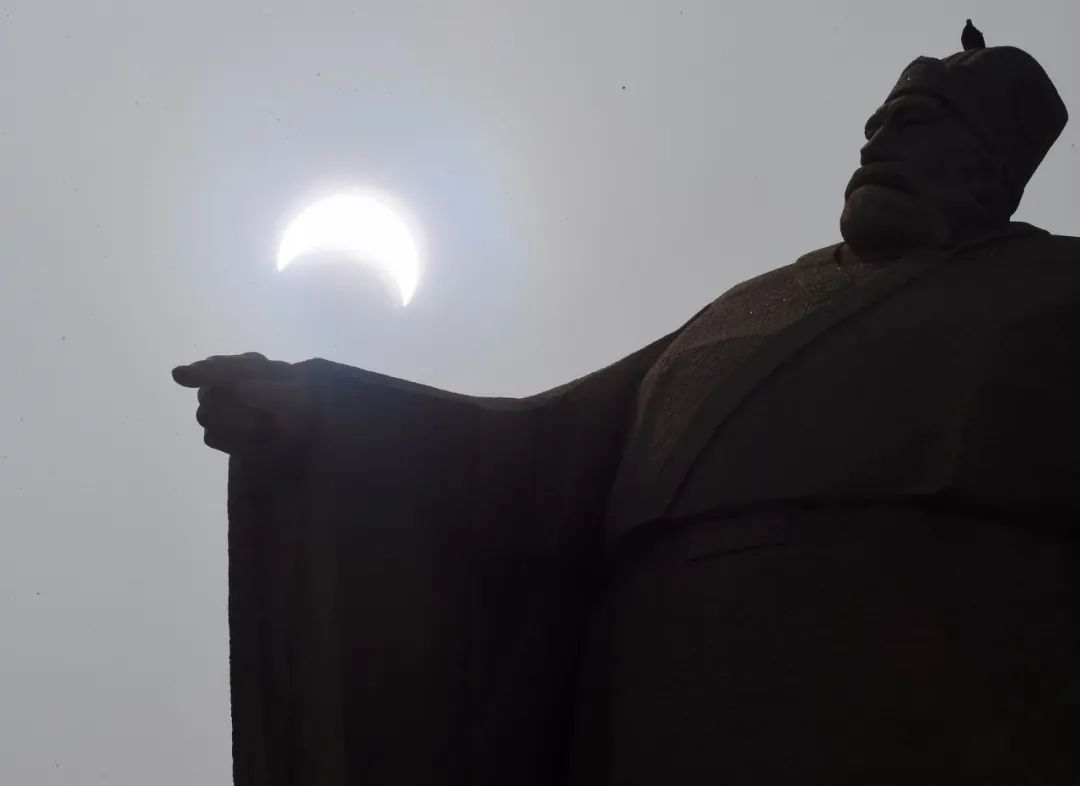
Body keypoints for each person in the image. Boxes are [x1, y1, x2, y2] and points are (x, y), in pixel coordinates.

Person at [174, 44, 1080, 785]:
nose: (876, 148)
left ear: (983, 167)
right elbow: (533, 450)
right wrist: (326, 415)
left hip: (924, 676)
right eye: (874, 127)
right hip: (660, 692)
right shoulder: (754, 306)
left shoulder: (1054, 292)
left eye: (913, 127)